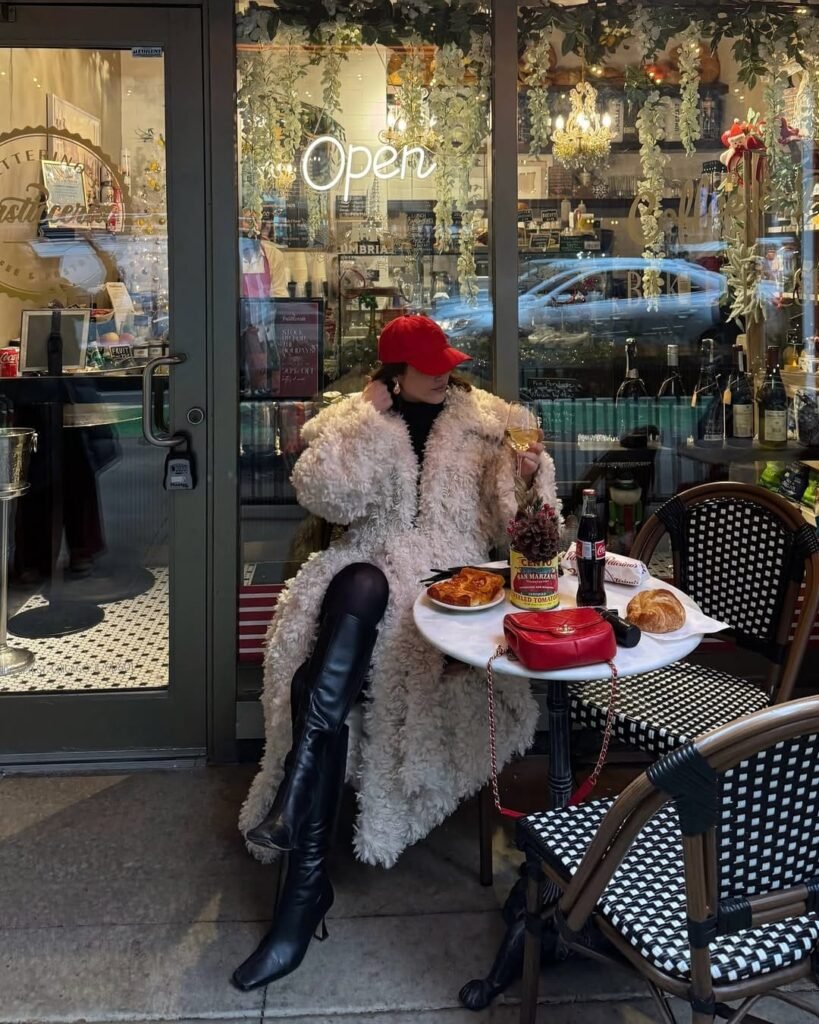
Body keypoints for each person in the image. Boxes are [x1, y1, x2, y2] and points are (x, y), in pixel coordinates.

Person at [233, 314, 559, 991]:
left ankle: (296, 868)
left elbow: (518, 525)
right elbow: (323, 494)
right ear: (395, 371)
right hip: (365, 572)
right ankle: (299, 887)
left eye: (447, 363)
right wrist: (358, 421)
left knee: (316, 687)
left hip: (445, 586)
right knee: (355, 582)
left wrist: (527, 475)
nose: (445, 372)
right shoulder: (355, 417)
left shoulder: (486, 422)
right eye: (429, 364)